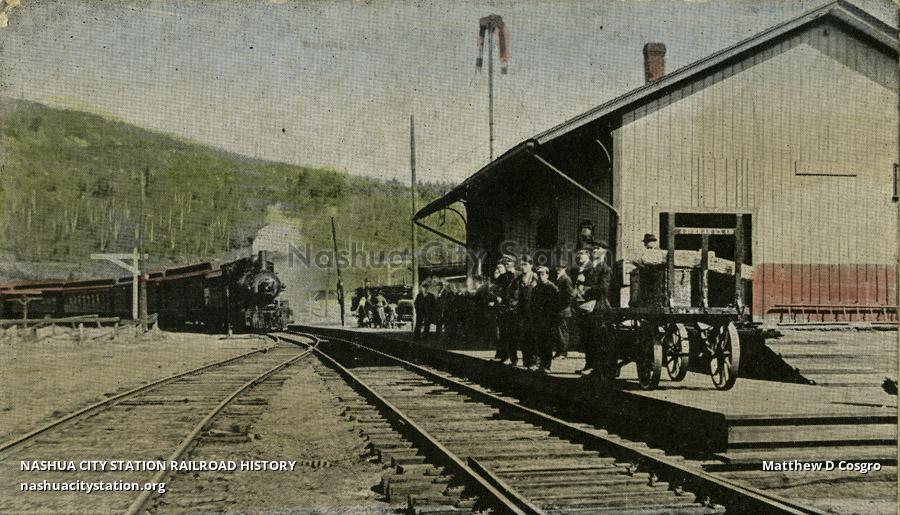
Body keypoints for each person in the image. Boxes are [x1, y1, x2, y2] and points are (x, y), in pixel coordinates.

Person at [587, 241, 615, 379]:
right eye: (593, 248)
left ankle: (600, 371)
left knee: (599, 339)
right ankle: (594, 368)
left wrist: (587, 289)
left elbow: (603, 289)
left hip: (600, 306)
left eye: (598, 248)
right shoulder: (591, 267)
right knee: (592, 338)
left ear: (604, 252)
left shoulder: (605, 269)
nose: (594, 250)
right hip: (591, 305)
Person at [571, 247, 594, 374]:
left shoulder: (591, 268)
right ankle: (588, 365)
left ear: (588, 256)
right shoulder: (580, 269)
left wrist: (584, 287)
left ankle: (590, 365)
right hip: (580, 305)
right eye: (578, 255)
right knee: (585, 337)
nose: (579, 257)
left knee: (589, 337)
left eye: (582, 255)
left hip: (588, 305)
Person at [532, 265, 560, 373]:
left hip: (548, 320)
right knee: (540, 342)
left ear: (547, 275)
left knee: (547, 343)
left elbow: (556, 304)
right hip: (538, 319)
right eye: (539, 274)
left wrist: (552, 317)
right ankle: (541, 364)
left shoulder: (552, 288)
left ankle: (547, 365)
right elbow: (533, 304)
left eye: (543, 274)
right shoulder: (536, 288)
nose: (540, 276)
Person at [513, 255, 538, 369]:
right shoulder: (518, 279)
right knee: (522, 336)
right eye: (522, 265)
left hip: (533, 312)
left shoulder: (535, 277)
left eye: (525, 265)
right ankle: (526, 361)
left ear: (531, 266)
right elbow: (512, 292)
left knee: (532, 336)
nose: (523, 267)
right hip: (521, 311)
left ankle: (533, 361)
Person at [497, 255, 520, 365]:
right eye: (505, 264)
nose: (507, 266)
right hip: (505, 309)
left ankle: (529, 361)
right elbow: (497, 290)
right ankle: (509, 357)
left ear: (513, 264)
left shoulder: (519, 276)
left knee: (517, 335)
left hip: (517, 309)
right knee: (506, 335)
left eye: (509, 263)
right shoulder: (502, 277)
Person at [553, 261, 575, 359]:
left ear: (564, 269)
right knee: (558, 332)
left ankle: (563, 353)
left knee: (562, 332)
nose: (558, 270)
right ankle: (559, 352)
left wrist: (562, 305)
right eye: (557, 268)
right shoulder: (559, 279)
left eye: (560, 268)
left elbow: (571, 295)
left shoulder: (566, 279)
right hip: (559, 310)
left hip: (564, 310)